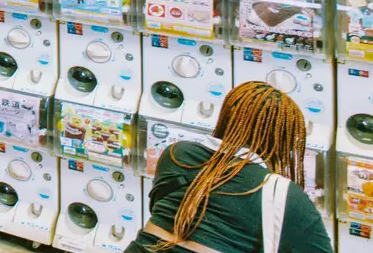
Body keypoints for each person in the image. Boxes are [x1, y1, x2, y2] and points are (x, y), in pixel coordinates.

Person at [132, 80, 330, 253]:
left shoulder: (176, 154)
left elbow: (160, 206)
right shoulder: (285, 194)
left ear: (226, 116)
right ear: (282, 141)